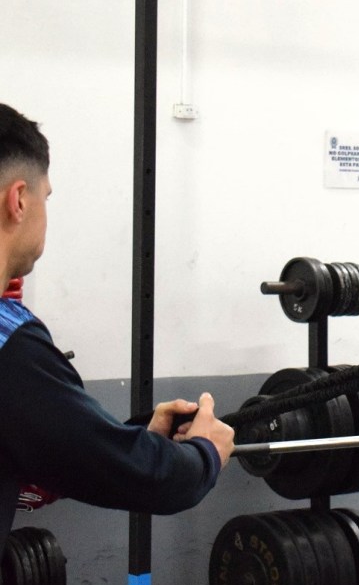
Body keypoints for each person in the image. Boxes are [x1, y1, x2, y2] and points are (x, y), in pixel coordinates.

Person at [0, 102, 235, 550]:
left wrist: (136, 439)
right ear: (19, 201)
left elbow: (65, 450)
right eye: (46, 198)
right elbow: (150, 479)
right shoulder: (12, 348)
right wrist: (204, 453)